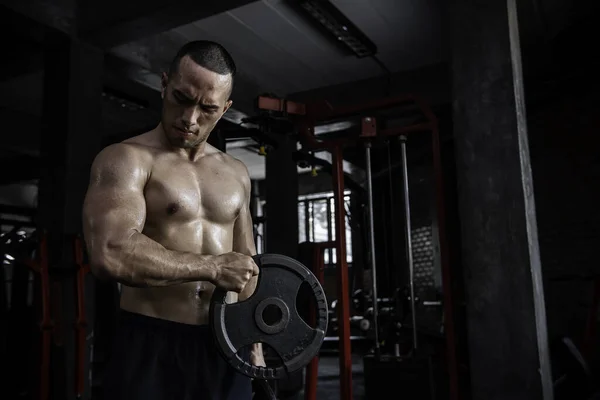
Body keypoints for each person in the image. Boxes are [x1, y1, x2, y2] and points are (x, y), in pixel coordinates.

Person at [82, 40, 265, 400]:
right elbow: (111, 253)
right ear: (164, 83)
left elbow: (247, 266)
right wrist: (211, 268)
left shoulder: (237, 174)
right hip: (153, 341)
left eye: (208, 108)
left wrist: (254, 342)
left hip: (228, 343)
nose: (190, 118)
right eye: (182, 98)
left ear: (225, 108)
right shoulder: (126, 159)